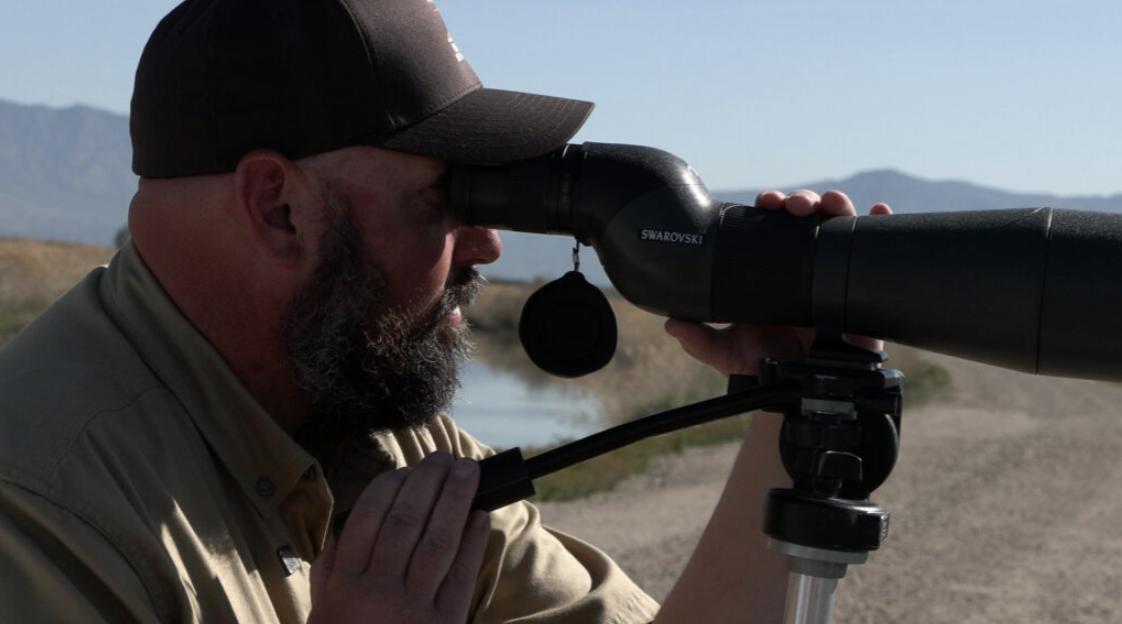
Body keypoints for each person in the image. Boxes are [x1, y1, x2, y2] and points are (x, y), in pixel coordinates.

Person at [0, 0, 890, 622]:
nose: (490, 245)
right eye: (447, 196)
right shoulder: (41, 511)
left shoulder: (373, 415)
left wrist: (784, 403)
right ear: (278, 208)